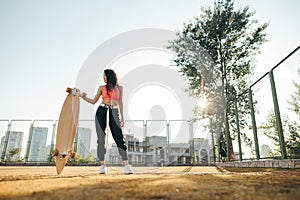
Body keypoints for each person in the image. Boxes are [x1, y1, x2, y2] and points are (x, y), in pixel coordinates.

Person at [80, 69, 133, 174]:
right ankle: (102, 165)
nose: (103, 78)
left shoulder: (119, 88)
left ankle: (126, 166)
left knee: (119, 138)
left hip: (114, 112)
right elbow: (94, 101)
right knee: (101, 139)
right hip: (101, 111)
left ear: (109, 76)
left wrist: (122, 117)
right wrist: (84, 98)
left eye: (104, 76)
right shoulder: (101, 88)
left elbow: (120, 103)